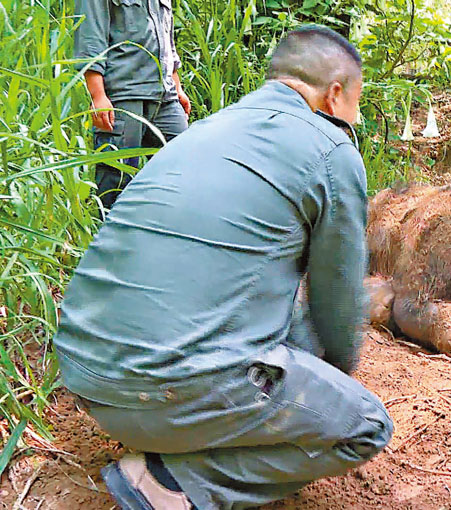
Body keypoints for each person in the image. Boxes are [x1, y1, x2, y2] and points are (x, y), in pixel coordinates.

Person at [53, 26, 393, 510]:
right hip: (160, 395)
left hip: (87, 376)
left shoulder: (209, 130)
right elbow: (336, 307)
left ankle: (190, 426)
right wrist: (330, 389)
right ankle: (173, 481)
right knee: (364, 426)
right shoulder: (331, 150)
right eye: (356, 105)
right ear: (335, 95)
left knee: (284, 315)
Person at [75, 0, 192, 210]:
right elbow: (90, 38)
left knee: (188, 167)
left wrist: (177, 86)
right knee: (116, 181)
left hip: (165, 96)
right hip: (123, 95)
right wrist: (98, 96)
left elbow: (167, 39)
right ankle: (110, 238)